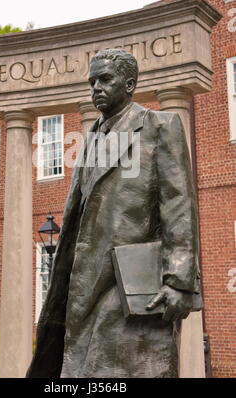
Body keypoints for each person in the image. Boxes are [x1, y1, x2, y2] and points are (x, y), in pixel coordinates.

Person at [26, 49, 201, 378]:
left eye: (105, 79)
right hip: (83, 281)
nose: (96, 88)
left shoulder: (159, 126)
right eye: (92, 82)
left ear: (130, 83)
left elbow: (179, 205)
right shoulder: (90, 136)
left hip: (132, 284)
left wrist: (179, 282)